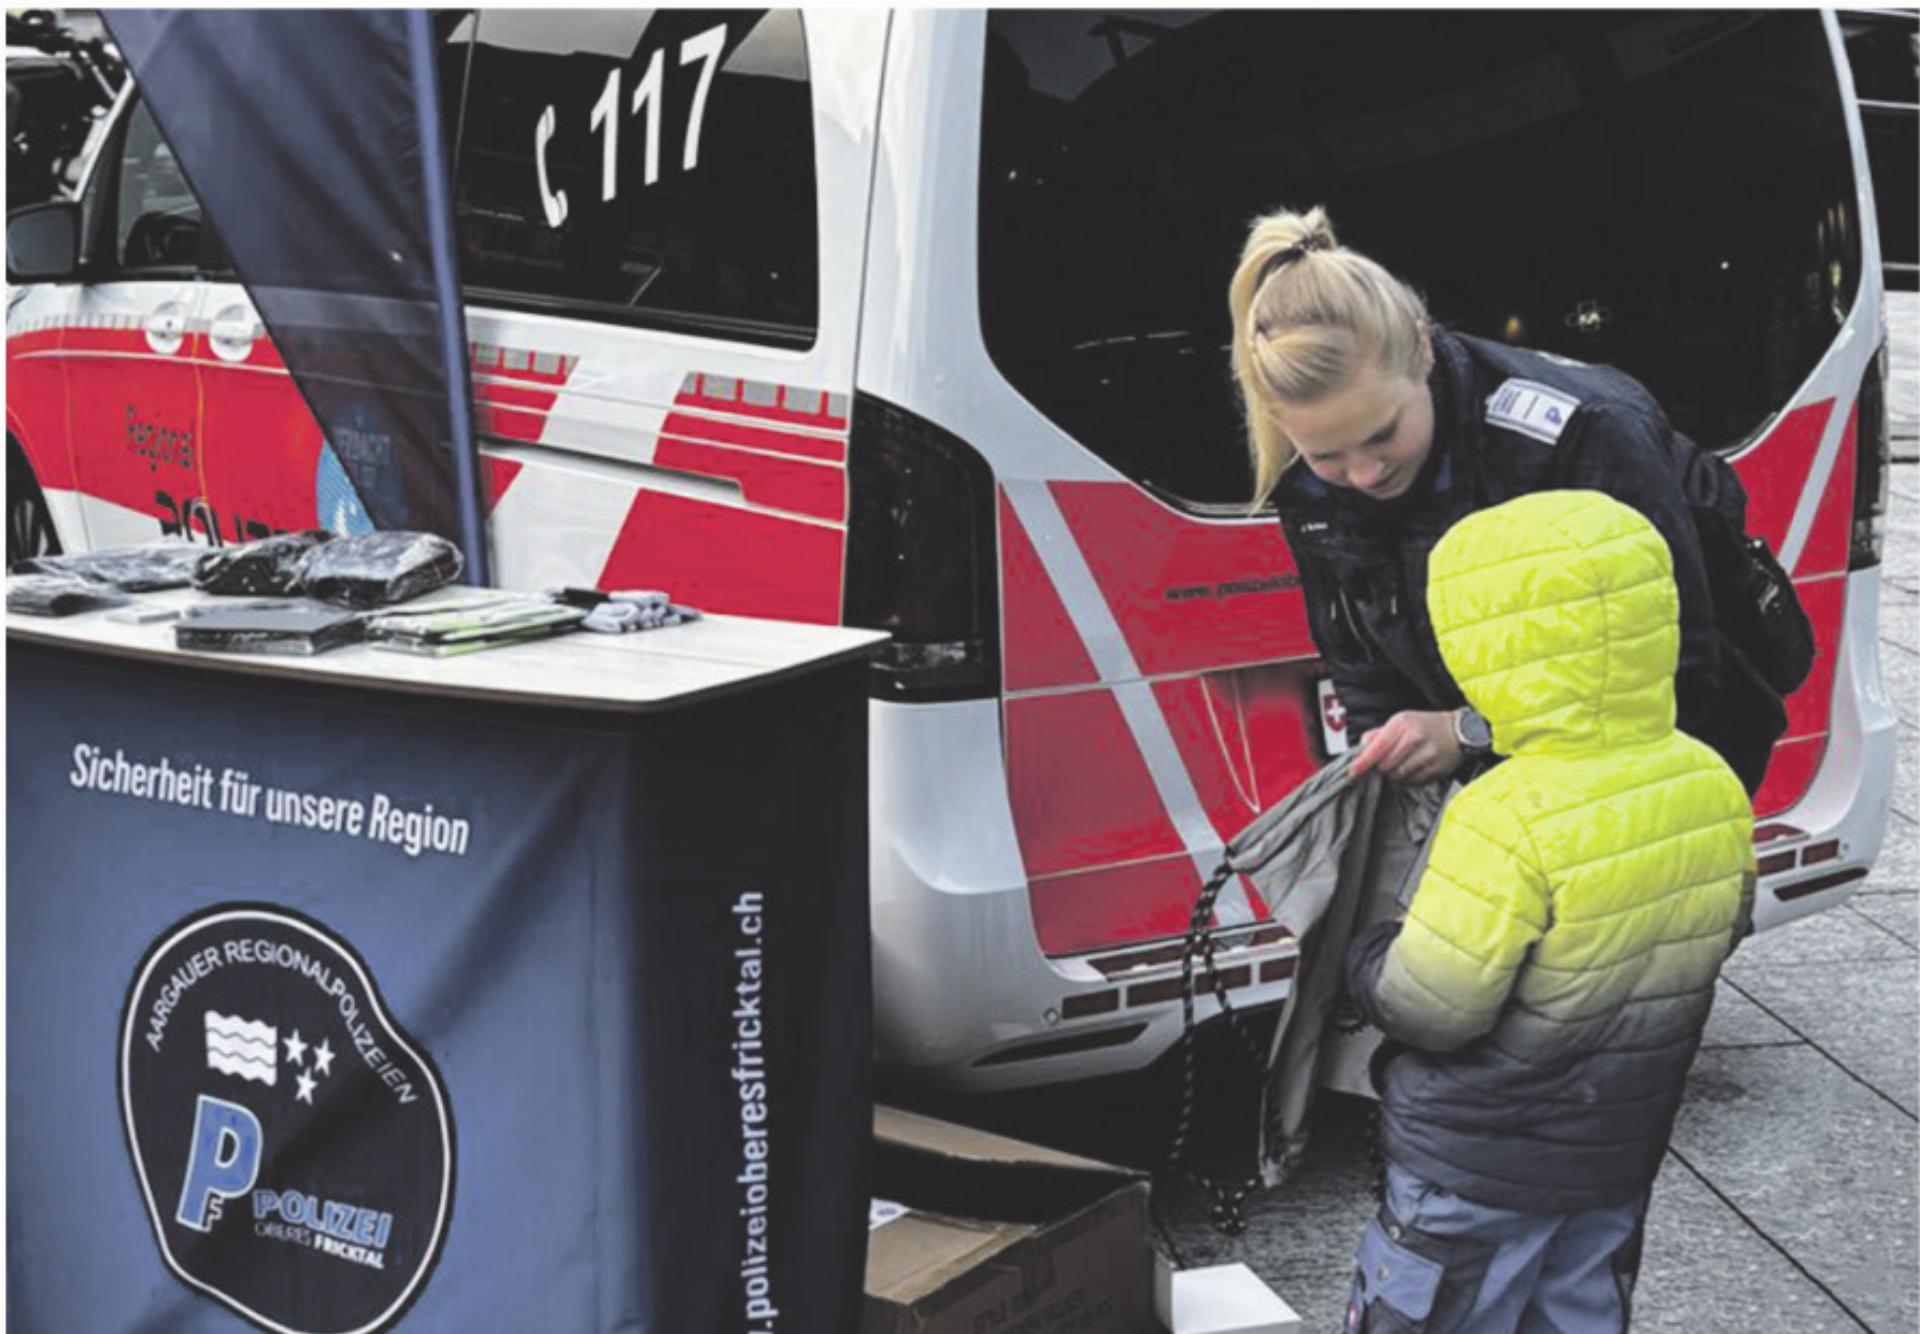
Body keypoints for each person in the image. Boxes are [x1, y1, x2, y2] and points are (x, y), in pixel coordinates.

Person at [1339, 488, 1755, 1332]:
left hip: (1476, 1159)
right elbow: (1726, 926)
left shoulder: (1506, 813)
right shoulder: (1709, 778)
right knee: (1580, 1309)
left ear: (1482, 643)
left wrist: (1368, 958)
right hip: (1617, 1147)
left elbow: (1436, 1007)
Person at [1228, 206, 1741, 789]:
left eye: (1383, 434)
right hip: (1503, 786)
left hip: (1662, 778)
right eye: (1328, 456)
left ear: (1421, 349)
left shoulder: (1581, 437)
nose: (1365, 474)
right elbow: (1363, 672)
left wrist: (1469, 732)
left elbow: (1675, 675)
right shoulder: (1311, 492)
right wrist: (1385, 761)